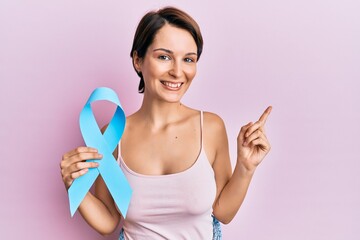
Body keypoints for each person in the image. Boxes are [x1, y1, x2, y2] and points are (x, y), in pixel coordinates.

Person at [60, 6, 272, 240]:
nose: (178, 71)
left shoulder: (210, 128)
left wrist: (246, 167)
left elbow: (223, 212)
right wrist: (74, 186)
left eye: (188, 59)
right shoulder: (112, 138)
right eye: (164, 57)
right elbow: (108, 220)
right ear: (138, 60)